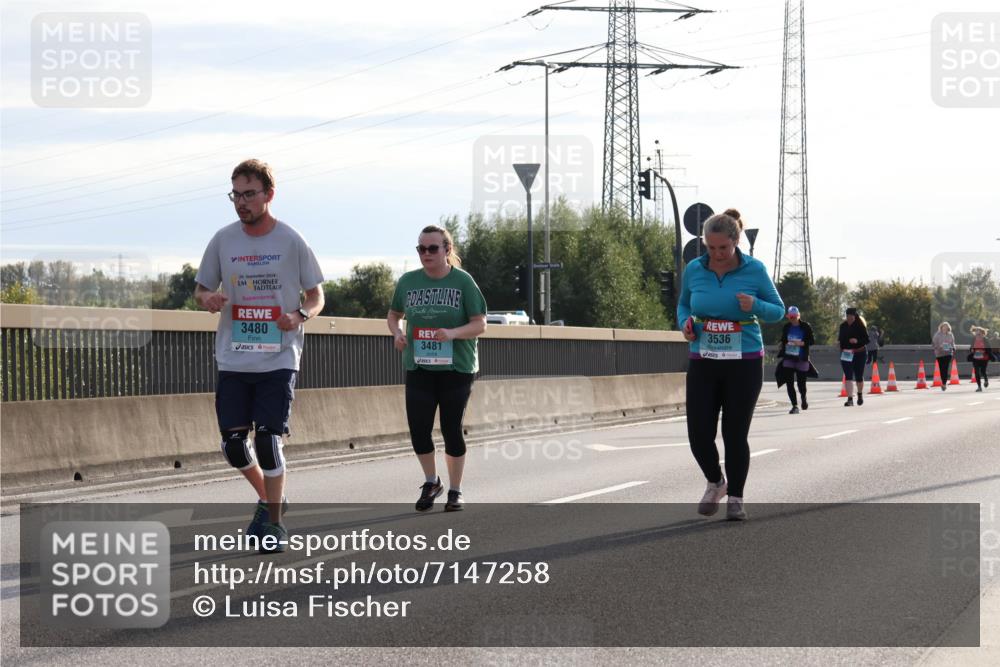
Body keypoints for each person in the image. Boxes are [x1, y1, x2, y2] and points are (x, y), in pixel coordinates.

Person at [194, 159, 324, 553]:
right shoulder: (223, 240)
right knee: (234, 446)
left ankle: (275, 525)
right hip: (234, 356)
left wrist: (299, 315)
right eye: (235, 194)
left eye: (249, 194)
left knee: (268, 442)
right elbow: (200, 290)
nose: (241, 202)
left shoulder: (291, 240)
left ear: (269, 194)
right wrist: (208, 298)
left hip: (278, 357)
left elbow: (316, 296)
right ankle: (271, 498)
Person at [677, 210, 785, 521]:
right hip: (704, 359)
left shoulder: (754, 269)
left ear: (736, 241)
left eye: (723, 247)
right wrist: (685, 323)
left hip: (744, 361)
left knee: (734, 433)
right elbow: (683, 303)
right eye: (710, 248)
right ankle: (715, 482)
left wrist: (755, 305)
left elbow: (778, 311)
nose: (717, 254)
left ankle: (736, 498)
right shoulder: (695, 269)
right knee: (699, 434)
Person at [387, 225, 487, 512]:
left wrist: (453, 333)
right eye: (421, 248)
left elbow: (480, 324)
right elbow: (394, 314)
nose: (426, 253)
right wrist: (397, 333)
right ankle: (432, 482)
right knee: (419, 430)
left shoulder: (463, 282)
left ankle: (455, 490)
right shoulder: (408, 281)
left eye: (432, 248)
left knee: (450, 429)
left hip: (457, 367)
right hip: (419, 365)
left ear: (447, 249)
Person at [777, 306, 817, 414]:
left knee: (801, 383)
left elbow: (812, 341)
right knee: (789, 383)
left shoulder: (805, 326)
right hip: (789, 357)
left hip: (801, 358)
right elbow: (784, 339)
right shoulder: (787, 327)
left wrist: (802, 343)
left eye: (794, 316)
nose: (792, 319)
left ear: (798, 316)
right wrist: (781, 343)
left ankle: (803, 397)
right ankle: (794, 405)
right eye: (790, 317)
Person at [838, 307, 870, 406]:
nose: (849, 319)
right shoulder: (843, 326)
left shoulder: (860, 325)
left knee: (859, 376)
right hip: (846, 353)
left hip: (859, 353)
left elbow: (867, 340)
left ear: (855, 317)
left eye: (851, 317)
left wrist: (857, 341)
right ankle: (850, 399)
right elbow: (840, 339)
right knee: (848, 376)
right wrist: (840, 345)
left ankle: (860, 394)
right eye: (848, 317)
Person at [968, 326, 995, 392]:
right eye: (976, 332)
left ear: (982, 333)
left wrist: (984, 351)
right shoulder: (973, 339)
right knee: (976, 372)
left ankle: (986, 380)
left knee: (983, 371)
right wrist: (972, 350)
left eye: (979, 332)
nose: (977, 333)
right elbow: (971, 347)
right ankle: (979, 387)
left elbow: (989, 349)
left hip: (984, 358)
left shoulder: (985, 339)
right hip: (976, 358)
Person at [932, 321, 956, 392]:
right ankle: (943, 382)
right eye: (944, 326)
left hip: (948, 353)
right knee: (942, 369)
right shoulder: (937, 334)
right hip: (939, 354)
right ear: (941, 327)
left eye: (946, 327)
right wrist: (939, 347)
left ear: (948, 328)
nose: (945, 328)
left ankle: (944, 384)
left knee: (946, 368)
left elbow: (953, 343)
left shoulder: (950, 334)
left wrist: (953, 348)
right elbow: (933, 344)